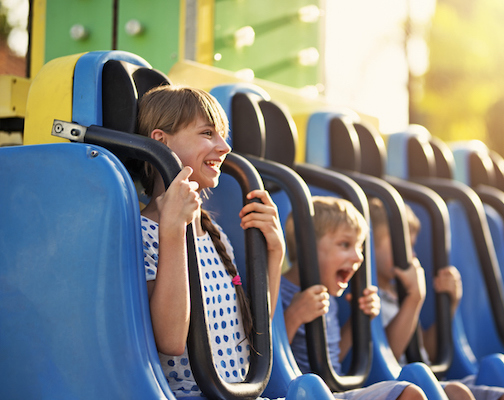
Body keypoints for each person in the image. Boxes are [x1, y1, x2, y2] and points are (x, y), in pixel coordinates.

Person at [137, 85, 285, 398]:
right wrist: (174, 229)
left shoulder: (213, 233)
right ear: (161, 142)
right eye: (208, 133)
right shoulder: (143, 233)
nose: (224, 147)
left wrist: (275, 252)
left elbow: (252, 333)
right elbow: (172, 340)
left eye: (222, 135)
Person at [369, 197, 504, 400]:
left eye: (412, 246)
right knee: (459, 393)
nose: (411, 254)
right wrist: (415, 298)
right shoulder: (371, 298)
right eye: (403, 245)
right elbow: (387, 359)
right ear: (371, 243)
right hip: (404, 384)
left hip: (429, 378)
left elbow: (426, 351)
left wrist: (450, 305)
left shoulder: (400, 295)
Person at [281, 196, 429, 400]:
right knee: (409, 394)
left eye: (359, 247)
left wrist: (358, 321)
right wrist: (293, 317)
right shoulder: (280, 291)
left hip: (331, 391)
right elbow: (272, 362)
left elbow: (329, 361)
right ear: (306, 244)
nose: (359, 257)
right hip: (300, 393)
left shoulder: (327, 297)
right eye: (345, 244)